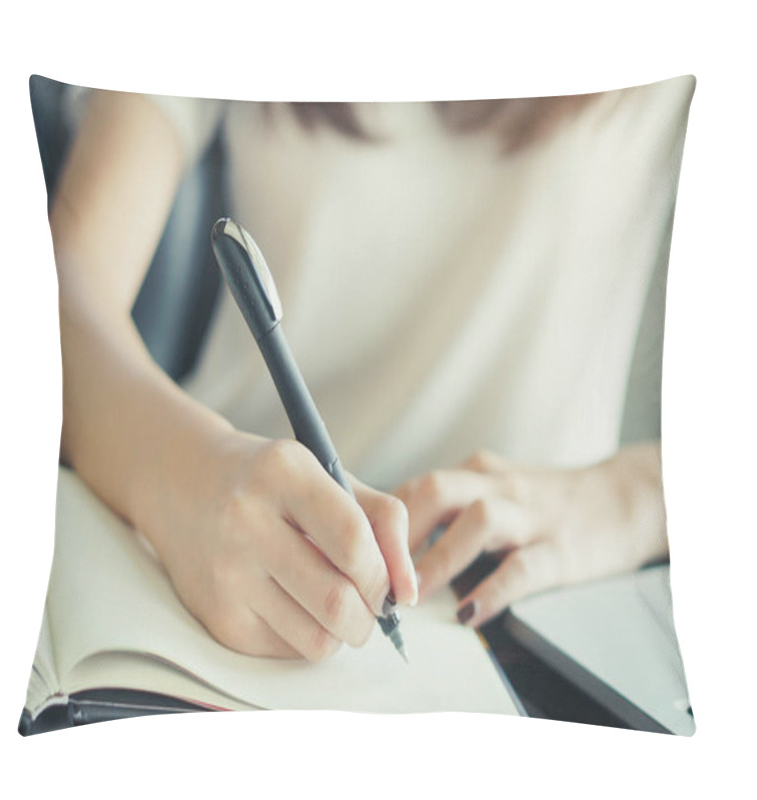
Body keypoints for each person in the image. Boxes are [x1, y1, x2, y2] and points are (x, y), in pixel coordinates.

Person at [50, 76, 694, 660]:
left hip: (539, 615)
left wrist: (632, 497)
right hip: (218, 569)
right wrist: (183, 474)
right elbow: (59, 305)